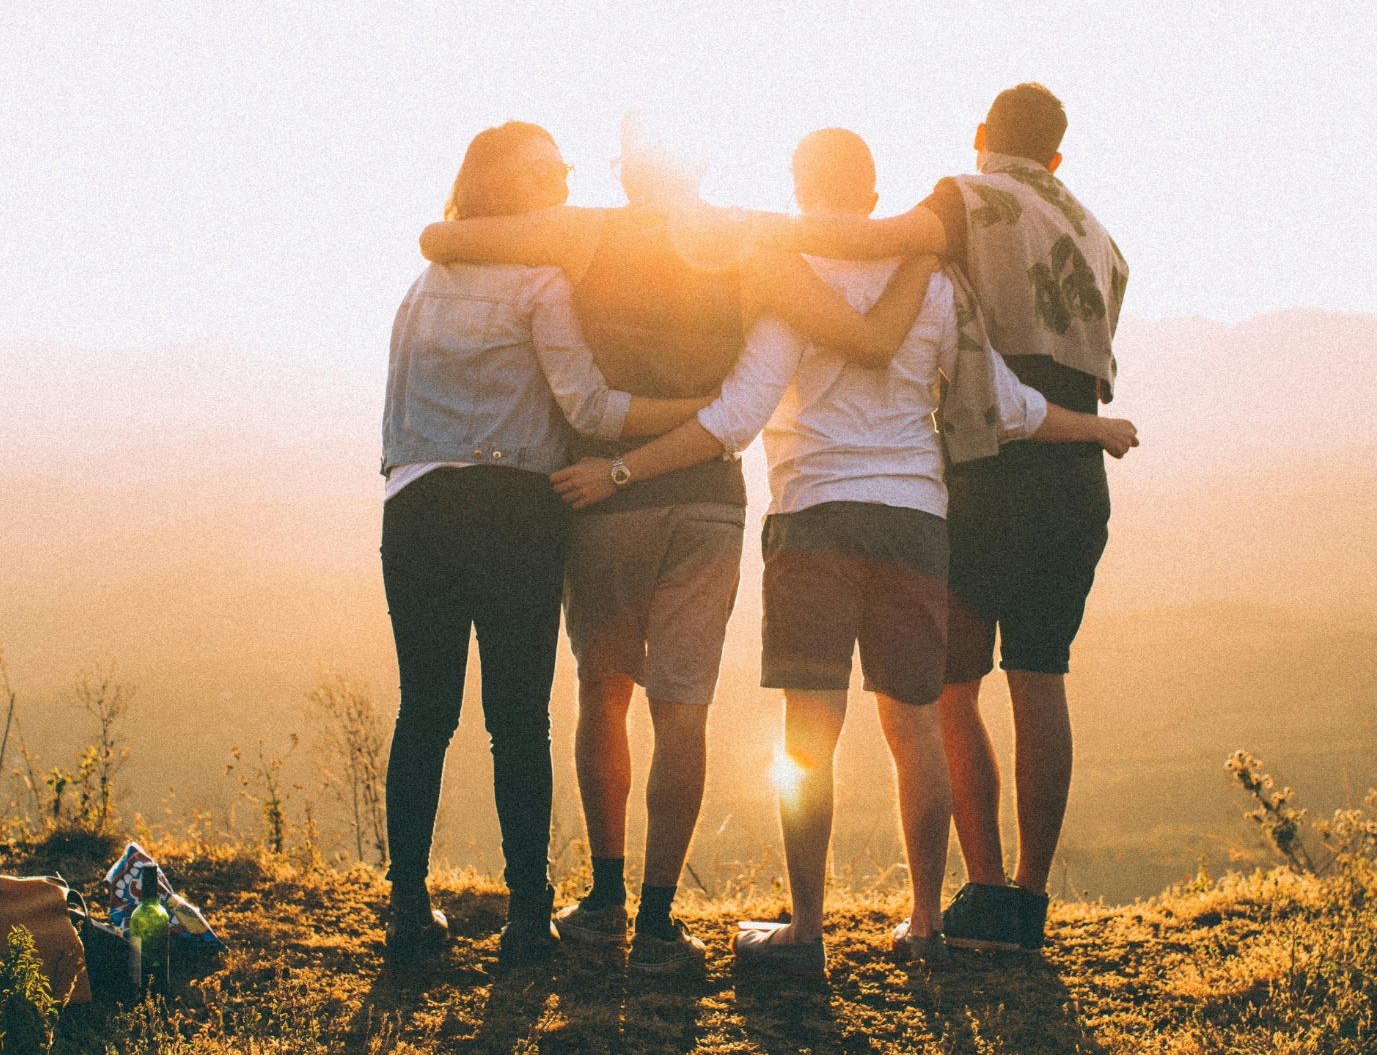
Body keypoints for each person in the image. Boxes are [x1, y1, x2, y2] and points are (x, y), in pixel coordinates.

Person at [550, 128, 1136, 977]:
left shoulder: (789, 280)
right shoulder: (934, 283)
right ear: (872, 196)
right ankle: (927, 925)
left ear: (798, 187)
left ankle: (808, 930)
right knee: (915, 728)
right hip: (915, 524)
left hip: (813, 518)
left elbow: (736, 418)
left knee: (808, 737)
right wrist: (1097, 428)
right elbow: (1006, 405)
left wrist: (622, 468)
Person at [417, 112, 938, 975]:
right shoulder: (749, 242)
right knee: (682, 708)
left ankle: (606, 896)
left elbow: (446, 238)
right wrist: (922, 247)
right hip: (706, 500)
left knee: (603, 693)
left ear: (626, 173)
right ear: (701, 162)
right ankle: (659, 921)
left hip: (601, 496)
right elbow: (863, 332)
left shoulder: (583, 234)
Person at [756, 85, 1135, 953]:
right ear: (1059, 156)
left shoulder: (966, 199)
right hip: (1073, 468)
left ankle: (981, 891)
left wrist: (749, 231)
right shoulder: (1101, 236)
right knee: (1041, 678)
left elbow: (877, 241)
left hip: (988, 464)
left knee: (947, 692)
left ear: (980, 138)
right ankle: (1025, 905)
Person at [379, 121, 712, 967]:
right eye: (549, 171)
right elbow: (592, 411)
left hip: (414, 507)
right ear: (509, 188)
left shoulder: (422, 286)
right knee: (517, 720)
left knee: (424, 712)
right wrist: (700, 414)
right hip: (514, 511)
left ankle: (408, 911)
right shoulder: (539, 282)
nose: (564, 181)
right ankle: (529, 916)